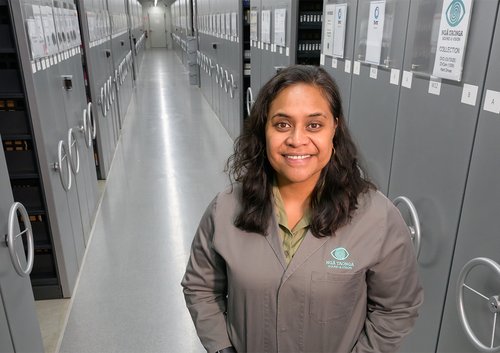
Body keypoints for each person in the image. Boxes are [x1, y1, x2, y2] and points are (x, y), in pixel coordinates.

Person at [181, 65, 423, 353]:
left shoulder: (377, 218)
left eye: (314, 125)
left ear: (335, 127)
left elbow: (397, 307)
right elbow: (200, 287)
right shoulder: (225, 210)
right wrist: (222, 348)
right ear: (264, 129)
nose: (297, 139)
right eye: (282, 124)